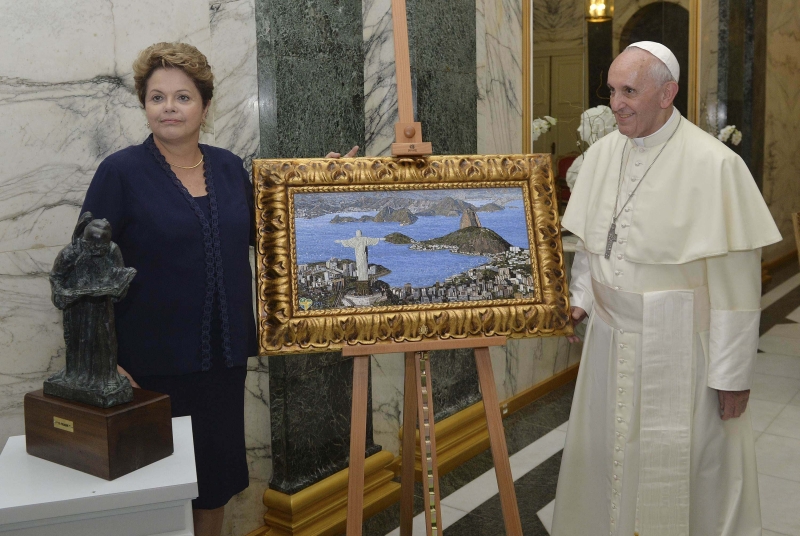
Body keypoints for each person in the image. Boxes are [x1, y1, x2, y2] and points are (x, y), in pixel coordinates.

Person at [81, 42, 357, 536]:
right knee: (155, 487)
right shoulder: (119, 173)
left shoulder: (231, 168)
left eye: (182, 97)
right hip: (146, 369)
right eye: (157, 97)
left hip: (222, 361)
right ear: (144, 105)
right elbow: (83, 271)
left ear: (205, 107)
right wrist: (104, 361)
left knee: (211, 481)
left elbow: (272, 234)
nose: (169, 107)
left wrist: (317, 187)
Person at [552, 41, 782, 536]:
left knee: (685, 467)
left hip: (680, 346)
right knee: (609, 455)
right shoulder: (600, 156)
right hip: (608, 343)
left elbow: (737, 287)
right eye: (612, 90)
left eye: (629, 90)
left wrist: (732, 374)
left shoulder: (715, 165)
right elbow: (595, 245)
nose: (616, 103)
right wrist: (579, 303)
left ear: (667, 93)